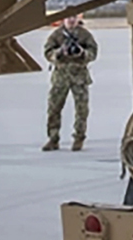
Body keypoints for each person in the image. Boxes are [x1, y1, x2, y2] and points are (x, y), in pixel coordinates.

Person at [42, 14, 98, 152]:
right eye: (68, 18)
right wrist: (59, 53)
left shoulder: (85, 35)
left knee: (81, 110)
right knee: (54, 108)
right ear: (63, 19)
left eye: (74, 17)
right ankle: (53, 138)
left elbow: (93, 52)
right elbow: (47, 52)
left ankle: (79, 138)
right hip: (61, 76)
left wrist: (82, 53)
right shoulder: (56, 35)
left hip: (79, 75)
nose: (71, 20)